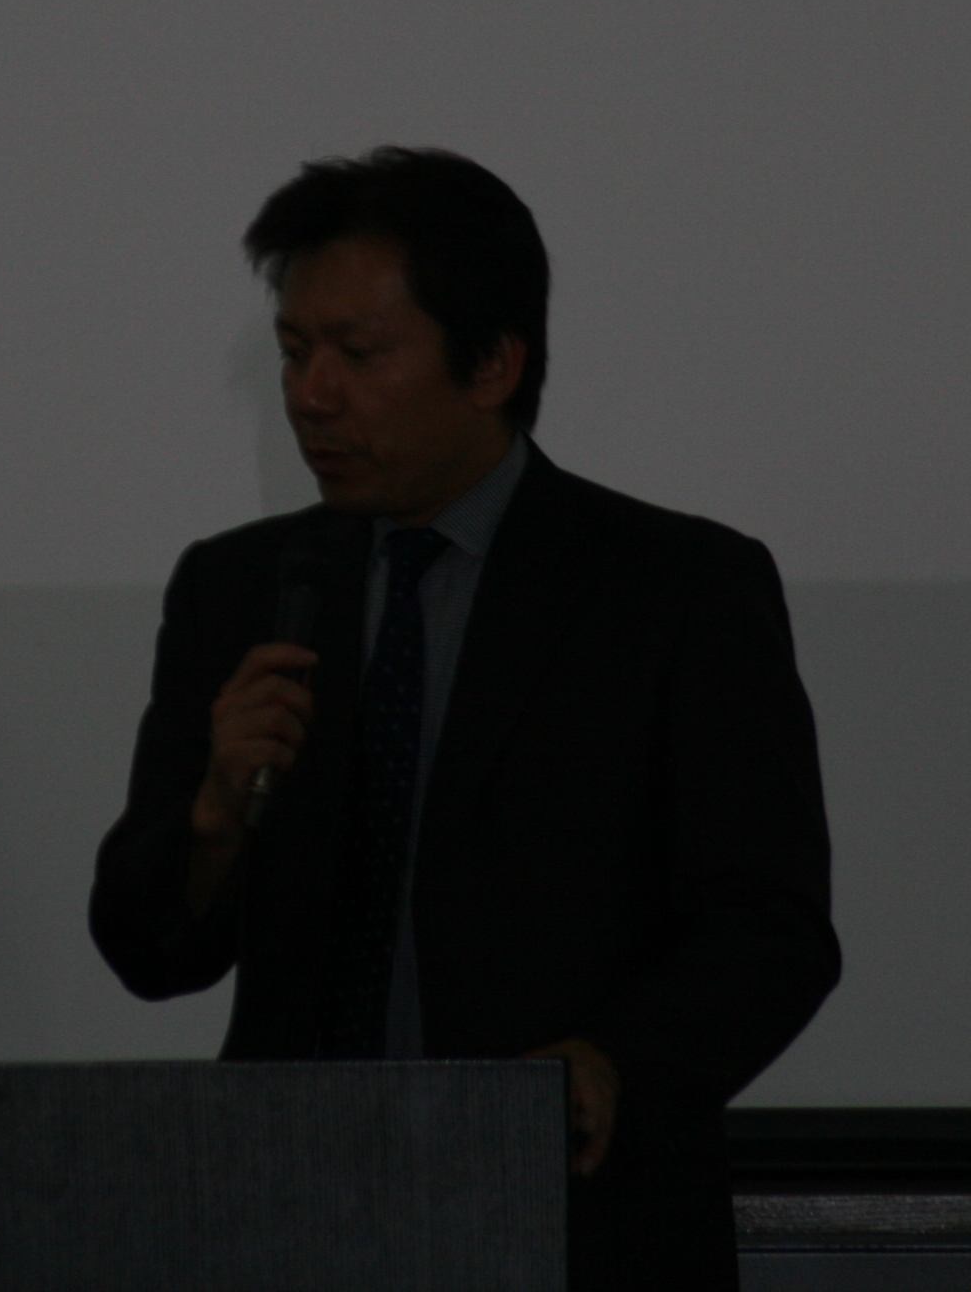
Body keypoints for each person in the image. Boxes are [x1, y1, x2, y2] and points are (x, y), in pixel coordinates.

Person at [90, 146, 838, 1288]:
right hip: (284, 1214)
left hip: (571, 1218)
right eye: (292, 352)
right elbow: (147, 949)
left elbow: (771, 929)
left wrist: (611, 1062)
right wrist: (212, 818)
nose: (310, 395)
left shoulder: (675, 589)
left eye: (357, 354)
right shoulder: (239, 588)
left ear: (492, 363)